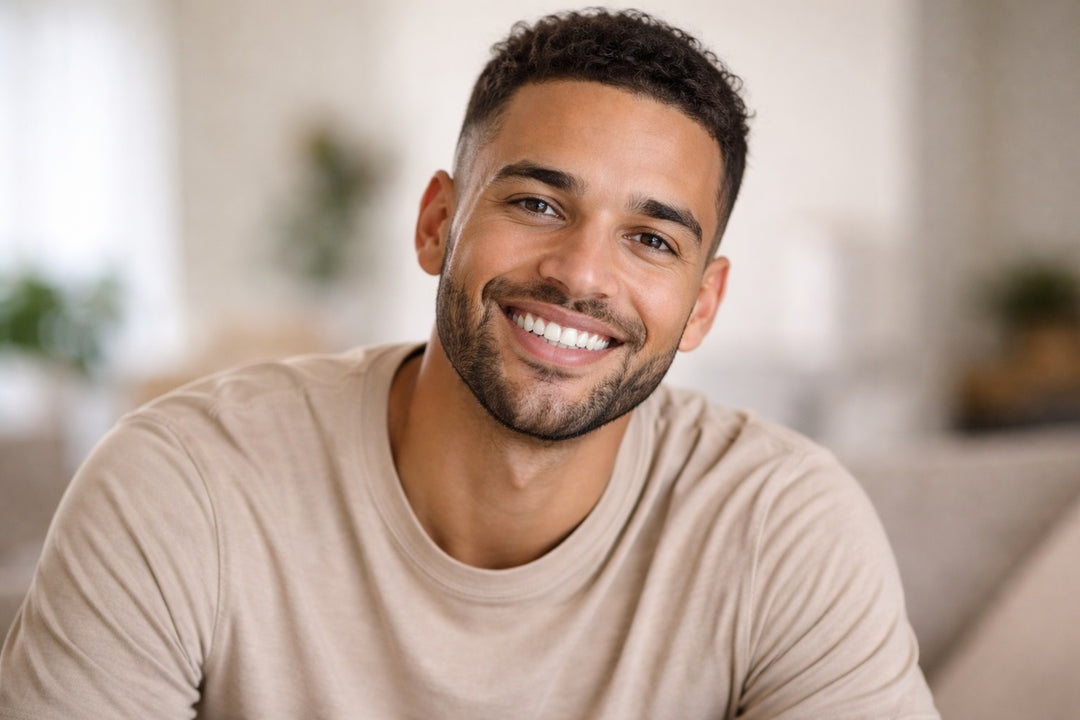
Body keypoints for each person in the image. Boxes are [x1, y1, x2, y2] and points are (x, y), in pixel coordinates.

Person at [0, 9, 939, 719]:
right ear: (436, 222)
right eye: (536, 204)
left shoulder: (783, 527)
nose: (579, 275)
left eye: (651, 239)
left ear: (703, 304)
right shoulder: (176, 486)